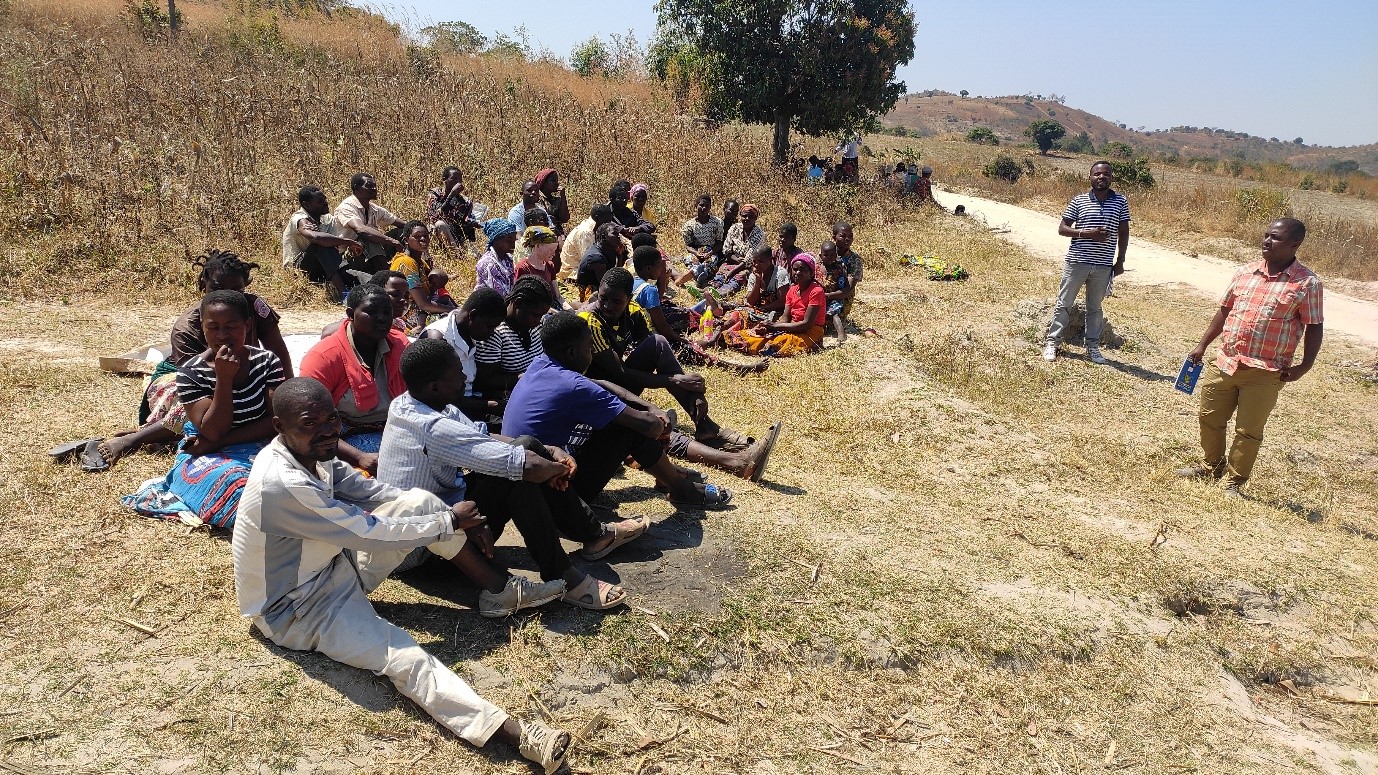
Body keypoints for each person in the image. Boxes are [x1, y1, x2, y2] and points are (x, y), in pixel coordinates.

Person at [232, 378, 571, 773]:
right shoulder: (283, 482)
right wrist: (448, 520)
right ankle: (519, 736)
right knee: (404, 657)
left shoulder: (312, 454)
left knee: (418, 501)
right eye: (310, 423)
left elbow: (372, 494)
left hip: (332, 569)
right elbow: (368, 533)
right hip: (296, 609)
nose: (326, 430)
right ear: (280, 427)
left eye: (332, 419)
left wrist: (446, 516)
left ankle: (499, 591)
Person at [380, 339, 645, 611]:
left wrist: (548, 451)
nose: (463, 377)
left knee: (527, 445)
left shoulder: (412, 403)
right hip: (429, 551)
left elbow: (481, 434)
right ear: (434, 386)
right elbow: (524, 467)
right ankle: (563, 574)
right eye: (457, 374)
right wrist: (558, 468)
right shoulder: (432, 427)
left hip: (446, 516)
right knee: (517, 476)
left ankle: (594, 535)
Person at [70, 251, 292, 472]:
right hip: (183, 375)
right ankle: (137, 438)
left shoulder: (253, 309)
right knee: (190, 408)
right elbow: (196, 382)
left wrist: (287, 395)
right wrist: (229, 381)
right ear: (203, 285)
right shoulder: (186, 328)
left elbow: (279, 352)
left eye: (236, 290)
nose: (226, 295)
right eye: (217, 289)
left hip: (242, 373)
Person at [503, 312, 740, 509]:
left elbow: (600, 383)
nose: (592, 354)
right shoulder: (574, 386)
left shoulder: (542, 364)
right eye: (589, 348)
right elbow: (649, 426)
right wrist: (661, 422)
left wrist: (648, 406)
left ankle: (667, 475)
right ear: (572, 353)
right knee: (628, 429)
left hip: (525, 485)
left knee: (621, 418)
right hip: (556, 492)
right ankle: (680, 489)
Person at [1175, 218, 1323, 497]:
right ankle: (1211, 467)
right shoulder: (1246, 272)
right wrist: (1202, 345)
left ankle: (1235, 481)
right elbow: (1225, 310)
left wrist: (1305, 365)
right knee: (1209, 417)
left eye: (1275, 237)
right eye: (1266, 235)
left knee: (1248, 430)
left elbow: (1315, 325)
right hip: (1226, 361)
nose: (1267, 241)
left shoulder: (1307, 283)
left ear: (1295, 244)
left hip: (1265, 371)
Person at [122, 290, 286, 528]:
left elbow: (276, 422)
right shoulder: (191, 372)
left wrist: (218, 441)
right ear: (202, 327)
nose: (222, 335)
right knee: (237, 485)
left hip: (251, 445)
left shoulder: (267, 362)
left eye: (231, 326)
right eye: (213, 327)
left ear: (247, 325)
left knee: (298, 477)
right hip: (206, 454)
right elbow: (213, 431)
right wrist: (224, 379)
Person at [581, 269, 768, 460]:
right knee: (651, 425)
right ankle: (730, 457)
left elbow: (655, 350)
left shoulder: (633, 311)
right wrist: (673, 380)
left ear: (628, 299)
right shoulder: (590, 321)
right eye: (603, 298)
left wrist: (692, 390)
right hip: (594, 391)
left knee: (658, 343)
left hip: (617, 387)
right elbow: (619, 372)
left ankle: (705, 426)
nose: (607, 305)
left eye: (616, 301)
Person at [300, 284, 410, 474]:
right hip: (338, 440)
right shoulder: (324, 356)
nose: (382, 318)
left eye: (387, 312)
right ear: (350, 314)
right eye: (371, 312)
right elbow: (309, 422)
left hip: (392, 429)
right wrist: (359, 457)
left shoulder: (400, 345)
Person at [1043, 161, 1131, 364]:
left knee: (1095, 308)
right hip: (1077, 262)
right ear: (1090, 177)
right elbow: (1063, 229)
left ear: (1111, 177)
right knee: (1064, 304)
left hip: (1103, 265)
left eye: (1106, 174)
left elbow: (1124, 231)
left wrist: (1120, 260)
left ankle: (1092, 347)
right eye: (1097, 174)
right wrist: (1087, 234)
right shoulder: (1079, 201)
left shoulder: (1120, 201)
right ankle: (1052, 343)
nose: (1102, 177)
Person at [423, 287, 508, 421]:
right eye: (489, 326)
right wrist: (486, 405)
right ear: (472, 316)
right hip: (446, 416)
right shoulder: (439, 339)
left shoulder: (472, 334)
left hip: (470, 404)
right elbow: (436, 399)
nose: (491, 333)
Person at [725, 253, 826, 357]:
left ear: (811, 272)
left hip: (811, 332)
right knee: (760, 335)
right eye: (795, 269)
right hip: (793, 327)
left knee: (773, 344)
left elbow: (807, 324)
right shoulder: (792, 290)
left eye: (802, 270)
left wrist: (774, 326)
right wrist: (769, 328)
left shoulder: (816, 291)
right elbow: (785, 318)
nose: (797, 273)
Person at [474, 277, 553, 396]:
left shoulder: (535, 326)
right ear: (518, 303)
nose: (538, 321)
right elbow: (485, 380)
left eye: (541, 316)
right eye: (535, 315)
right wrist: (524, 377)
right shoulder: (494, 332)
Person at [282, 185, 361, 299]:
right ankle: (343, 295)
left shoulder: (328, 219)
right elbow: (316, 238)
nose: (325, 203)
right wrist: (348, 242)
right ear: (306, 205)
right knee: (322, 244)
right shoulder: (299, 218)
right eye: (320, 201)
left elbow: (334, 248)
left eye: (325, 199)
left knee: (360, 277)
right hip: (299, 271)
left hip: (325, 267)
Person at [390, 221, 456, 335]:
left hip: (422, 309)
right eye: (417, 236)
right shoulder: (406, 263)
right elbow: (423, 304)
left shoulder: (420, 262)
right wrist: (454, 310)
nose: (423, 239)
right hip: (405, 313)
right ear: (406, 240)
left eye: (425, 235)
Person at [334, 173, 406, 274]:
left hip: (368, 253)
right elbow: (361, 229)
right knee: (367, 237)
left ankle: (412, 269)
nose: (374, 188)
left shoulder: (373, 208)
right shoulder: (346, 207)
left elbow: (401, 224)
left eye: (375, 186)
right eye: (369, 186)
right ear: (356, 188)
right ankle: (387, 277)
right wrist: (393, 242)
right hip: (348, 257)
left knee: (403, 231)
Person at [426, 166, 479, 250]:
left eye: (460, 180)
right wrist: (452, 195)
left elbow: (464, 223)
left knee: (474, 255)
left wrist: (472, 223)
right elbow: (436, 215)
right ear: (444, 180)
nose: (457, 182)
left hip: (457, 236)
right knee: (440, 224)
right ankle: (455, 253)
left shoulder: (464, 201)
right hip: (438, 233)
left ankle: (460, 251)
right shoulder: (435, 194)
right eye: (454, 179)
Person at [513, 225, 565, 310]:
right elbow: (525, 300)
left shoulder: (549, 265)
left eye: (554, 250)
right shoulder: (523, 268)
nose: (553, 254)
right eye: (549, 250)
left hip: (552, 307)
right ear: (537, 246)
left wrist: (570, 311)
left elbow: (558, 296)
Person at [560, 203, 615, 282]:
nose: (608, 224)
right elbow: (589, 259)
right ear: (597, 218)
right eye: (607, 221)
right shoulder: (585, 232)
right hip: (572, 271)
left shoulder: (598, 225)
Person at [576, 222, 626, 301]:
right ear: (604, 236)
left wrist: (619, 255)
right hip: (589, 296)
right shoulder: (597, 258)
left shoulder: (608, 250)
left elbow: (615, 275)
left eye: (618, 234)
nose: (618, 237)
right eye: (614, 234)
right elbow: (606, 285)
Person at [475, 218, 518, 296]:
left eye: (514, 241)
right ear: (496, 239)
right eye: (509, 241)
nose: (513, 245)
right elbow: (499, 294)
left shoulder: (508, 259)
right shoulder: (487, 263)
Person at [831, 221, 864, 321]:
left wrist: (826, 296)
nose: (847, 239)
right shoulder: (826, 254)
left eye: (850, 236)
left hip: (842, 300)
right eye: (843, 236)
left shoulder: (855, 260)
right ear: (834, 237)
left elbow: (848, 289)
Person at [817, 240, 850, 342]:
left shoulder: (839, 269)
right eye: (826, 255)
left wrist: (829, 296)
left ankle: (841, 335)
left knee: (834, 313)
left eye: (832, 255)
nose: (829, 257)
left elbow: (843, 287)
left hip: (833, 297)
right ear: (820, 255)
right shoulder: (817, 268)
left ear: (836, 255)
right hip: (818, 297)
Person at [533, 168, 570, 235]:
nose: (557, 184)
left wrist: (563, 197)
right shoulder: (537, 199)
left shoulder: (556, 200)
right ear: (544, 182)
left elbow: (564, 219)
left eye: (557, 181)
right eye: (553, 181)